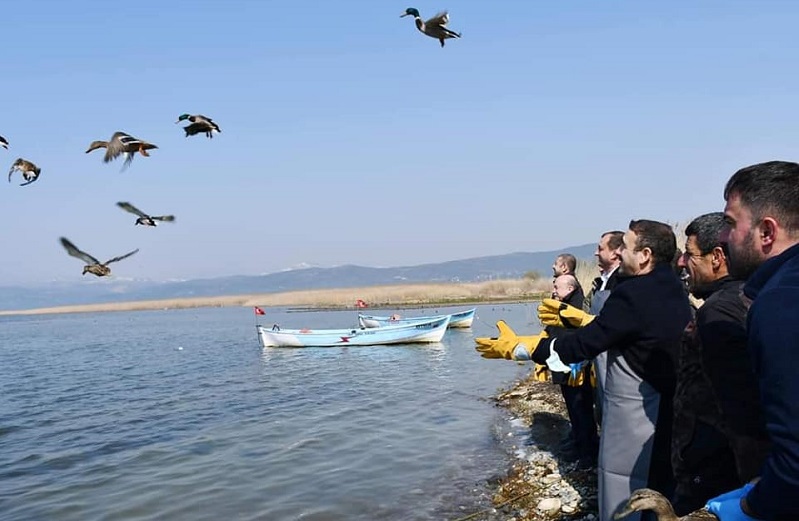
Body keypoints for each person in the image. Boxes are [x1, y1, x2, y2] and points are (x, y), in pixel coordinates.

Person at [476, 219, 692, 521]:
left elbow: (585, 344)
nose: (619, 255)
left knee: (627, 483)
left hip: (638, 413)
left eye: (625, 248)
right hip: (665, 405)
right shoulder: (671, 285)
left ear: (645, 255)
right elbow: (611, 329)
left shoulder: (635, 294)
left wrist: (522, 349)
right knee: (657, 480)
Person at [704, 160, 799, 520]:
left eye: (730, 223)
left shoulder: (782, 302)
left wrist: (750, 506)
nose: (724, 237)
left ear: (767, 231)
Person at [671, 212, 769, 515]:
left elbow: (740, 402)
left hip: (716, 462)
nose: (683, 263)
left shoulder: (719, 312)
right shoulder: (752, 296)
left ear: (717, 257)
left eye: (690, 254)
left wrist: (753, 484)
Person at [549, 274, 599, 469]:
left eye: (557, 287)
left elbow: (578, 336)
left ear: (569, 289)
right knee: (574, 410)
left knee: (582, 410)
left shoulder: (576, 305)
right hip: (563, 367)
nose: (554, 290)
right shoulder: (561, 304)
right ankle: (579, 444)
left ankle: (587, 452)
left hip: (576, 369)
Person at [583, 230, 624, 426]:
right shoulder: (601, 281)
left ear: (616, 252)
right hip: (598, 357)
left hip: (613, 359)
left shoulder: (622, 281)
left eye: (600, 248)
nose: (596, 253)